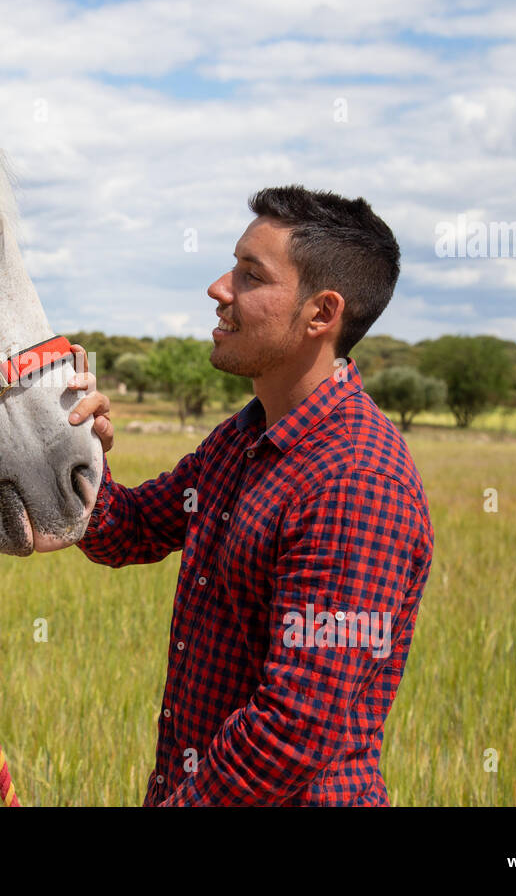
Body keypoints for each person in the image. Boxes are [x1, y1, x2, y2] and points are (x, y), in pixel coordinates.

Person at [65, 184, 433, 806]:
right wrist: (71, 445)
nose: (219, 289)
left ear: (321, 314)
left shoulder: (357, 483)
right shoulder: (243, 438)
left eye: (249, 275)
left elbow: (295, 731)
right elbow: (123, 530)